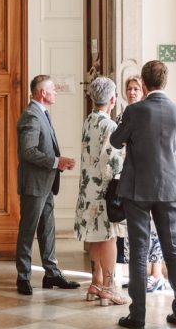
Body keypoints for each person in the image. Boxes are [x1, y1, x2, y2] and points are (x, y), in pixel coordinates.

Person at [110, 60, 176, 329]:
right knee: (172, 248)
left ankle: (138, 315)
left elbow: (115, 141)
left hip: (138, 188)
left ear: (143, 84)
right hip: (169, 187)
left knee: (139, 250)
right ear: (164, 82)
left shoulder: (135, 110)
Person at [16, 74, 80, 295]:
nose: (55, 92)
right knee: (28, 231)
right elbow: (28, 151)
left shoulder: (42, 113)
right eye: (53, 89)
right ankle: (23, 277)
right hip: (34, 185)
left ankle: (51, 273)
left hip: (47, 183)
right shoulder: (31, 116)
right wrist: (56, 162)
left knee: (47, 231)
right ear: (42, 93)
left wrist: (57, 163)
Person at [74, 76, 128, 306]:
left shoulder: (88, 120)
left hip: (88, 189)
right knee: (108, 237)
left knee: (95, 236)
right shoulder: (110, 126)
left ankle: (95, 283)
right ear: (112, 99)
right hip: (105, 191)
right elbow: (113, 163)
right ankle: (109, 287)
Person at [122, 76, 166, 293]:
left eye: (136, 89)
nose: (132, 92)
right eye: (129, 88)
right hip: (131, 177)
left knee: (154, 229)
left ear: (144, 91)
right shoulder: (125, 113)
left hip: (151, 178)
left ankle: (156, 275)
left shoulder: (148, 112)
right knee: (133, 232)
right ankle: (138, 277)